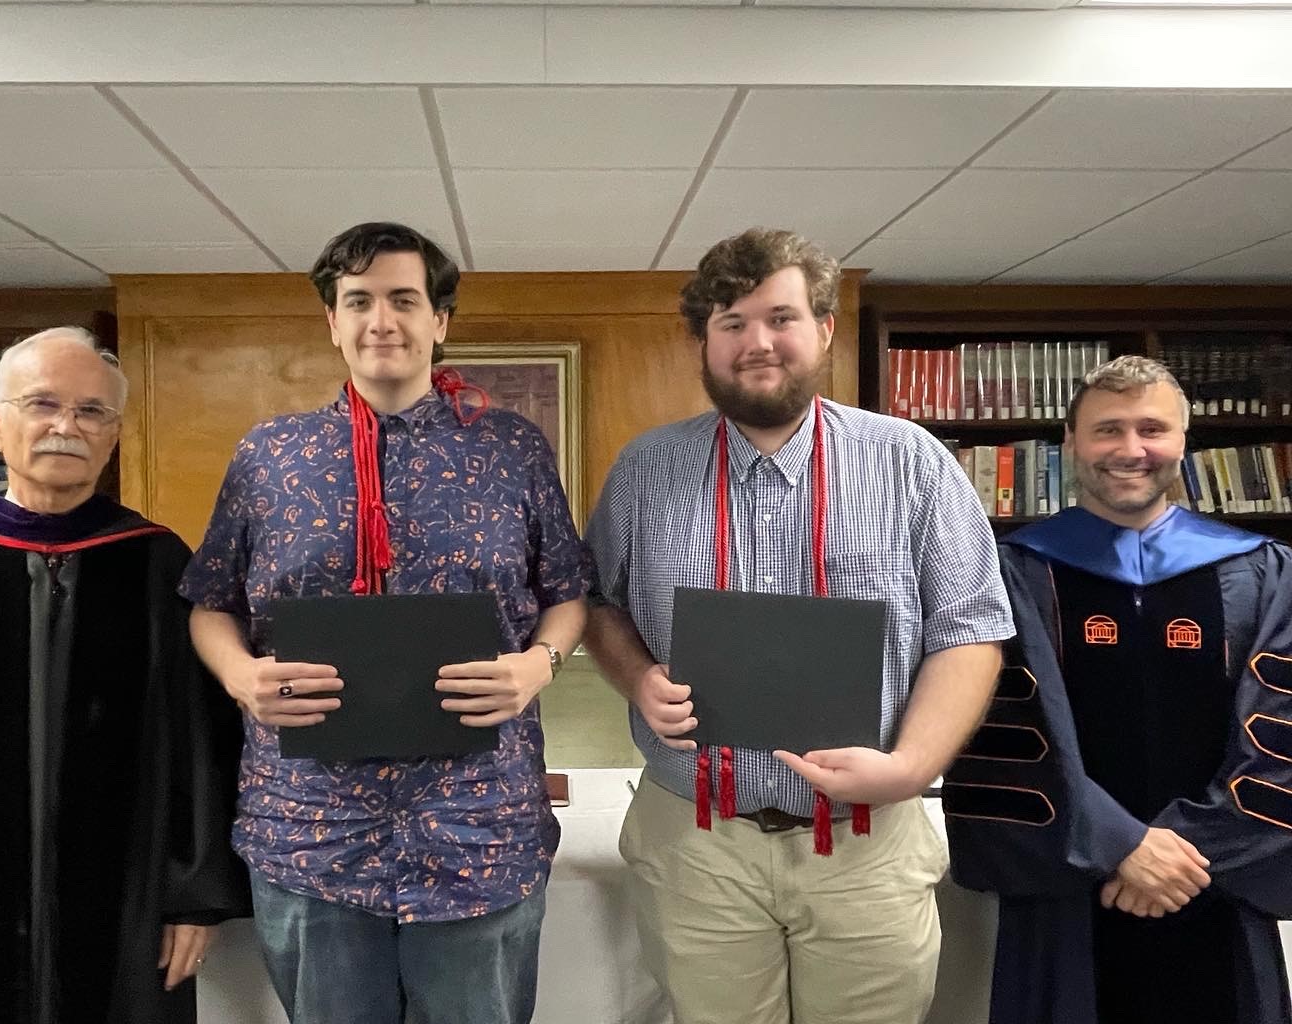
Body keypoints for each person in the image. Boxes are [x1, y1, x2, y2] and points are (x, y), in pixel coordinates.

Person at [582, 227, 1015, 1024]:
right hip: (696, 844)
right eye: (731, 323)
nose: (758, 343)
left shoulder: (911, 462)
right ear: (702, 342)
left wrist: (914, 766)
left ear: (822, 328)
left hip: (866, 840)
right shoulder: (645, 469)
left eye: (780, 318)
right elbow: (601, 606)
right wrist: (638, 678)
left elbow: (971, 628)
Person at [180, 221, 589, 1024]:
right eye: (358, 301)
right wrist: (238, 674)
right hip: (311, 830)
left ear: (440, 320)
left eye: (404, 299)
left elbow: (568, 593)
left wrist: (539, 663)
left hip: (480, 829)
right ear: (333, 322)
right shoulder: (269, 457)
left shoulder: (513, 449)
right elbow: (210, 603)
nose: (381, 321)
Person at [0, 327, 249, 1024]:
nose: (66, 426)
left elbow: (199, 744)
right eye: (43, 404)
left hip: (127, 927)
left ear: (115, 433)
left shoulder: (154, 565)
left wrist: (193, 894)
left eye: (91, 411)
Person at [944, 355, 1292, 1024]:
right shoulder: (1011, 573)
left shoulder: (1263, 571)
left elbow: (1280, 732)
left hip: (1212, 883)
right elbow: (1007, 732)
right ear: (1070, 442)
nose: (1131, 450)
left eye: (1152, 429)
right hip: (1069, 887)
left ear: (1183, 443)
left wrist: (1192, 853)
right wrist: (1119, 846)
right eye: (1108, 431)